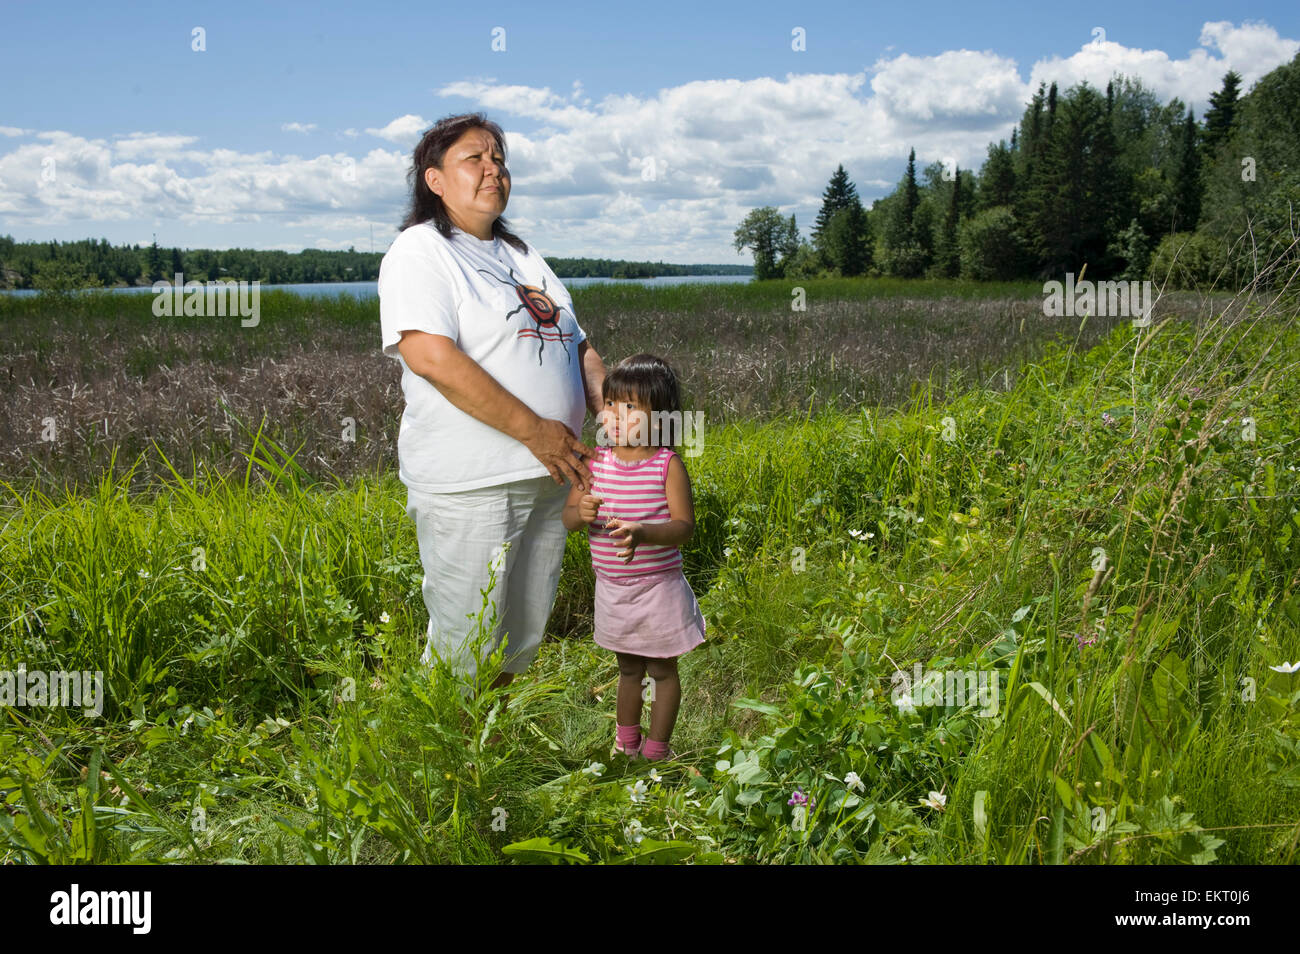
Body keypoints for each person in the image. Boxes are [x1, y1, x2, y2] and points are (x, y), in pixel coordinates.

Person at [378, 112, 606, 692]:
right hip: (473, 482)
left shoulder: (523, 255)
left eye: (499, 158)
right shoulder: (421, 251)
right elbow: (429, 355)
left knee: (522, 632)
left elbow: (574, 341)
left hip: (549, 472)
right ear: (434, 180)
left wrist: (609, 407)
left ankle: (492, 758)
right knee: (467, 641)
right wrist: (534, 429)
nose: (493, 169)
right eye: (474, 159)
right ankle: (444, 771)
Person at [561, 353, 705, 761]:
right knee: (627, 670)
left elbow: (684, 527)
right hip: (614, 590)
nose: (616, 416)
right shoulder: (594, 463)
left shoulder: (666, 466)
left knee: (661, 671)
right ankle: (626, 745)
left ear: (658, 418)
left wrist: (644, 532)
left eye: (630, 408)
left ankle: (657, 750)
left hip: (658, 590)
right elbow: (568, 519)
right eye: (610, 405)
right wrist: (581, 511)